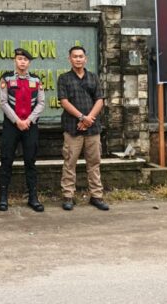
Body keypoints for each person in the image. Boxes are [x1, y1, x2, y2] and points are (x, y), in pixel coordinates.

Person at [57, 46, 109, 212]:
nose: (78, 59)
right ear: (69, 59)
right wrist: (81, 117)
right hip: (72, 129)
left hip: (92, 130)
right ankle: (68, 196)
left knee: (94, 163)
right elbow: (64, 102)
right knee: (69, 163)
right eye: (75, 56)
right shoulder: (64, 79)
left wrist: (88, 120)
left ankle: (96, 196)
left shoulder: (93, 78)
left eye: (81, 56)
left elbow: (100, 100)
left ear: (85, 59)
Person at [0, 47, 46, 213]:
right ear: (15, 61)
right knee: (6, 160)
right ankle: (3, 197)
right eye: (19, 59)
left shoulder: (36, 80)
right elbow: (3, 102)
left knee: (30, 161)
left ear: (29, 62)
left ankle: (33, 197)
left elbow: (41, 103)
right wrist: (17, 121)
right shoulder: (6, 78)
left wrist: (29, 120)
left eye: (25, 59)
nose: (22, 62)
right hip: (11, 126)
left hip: (30, 126)